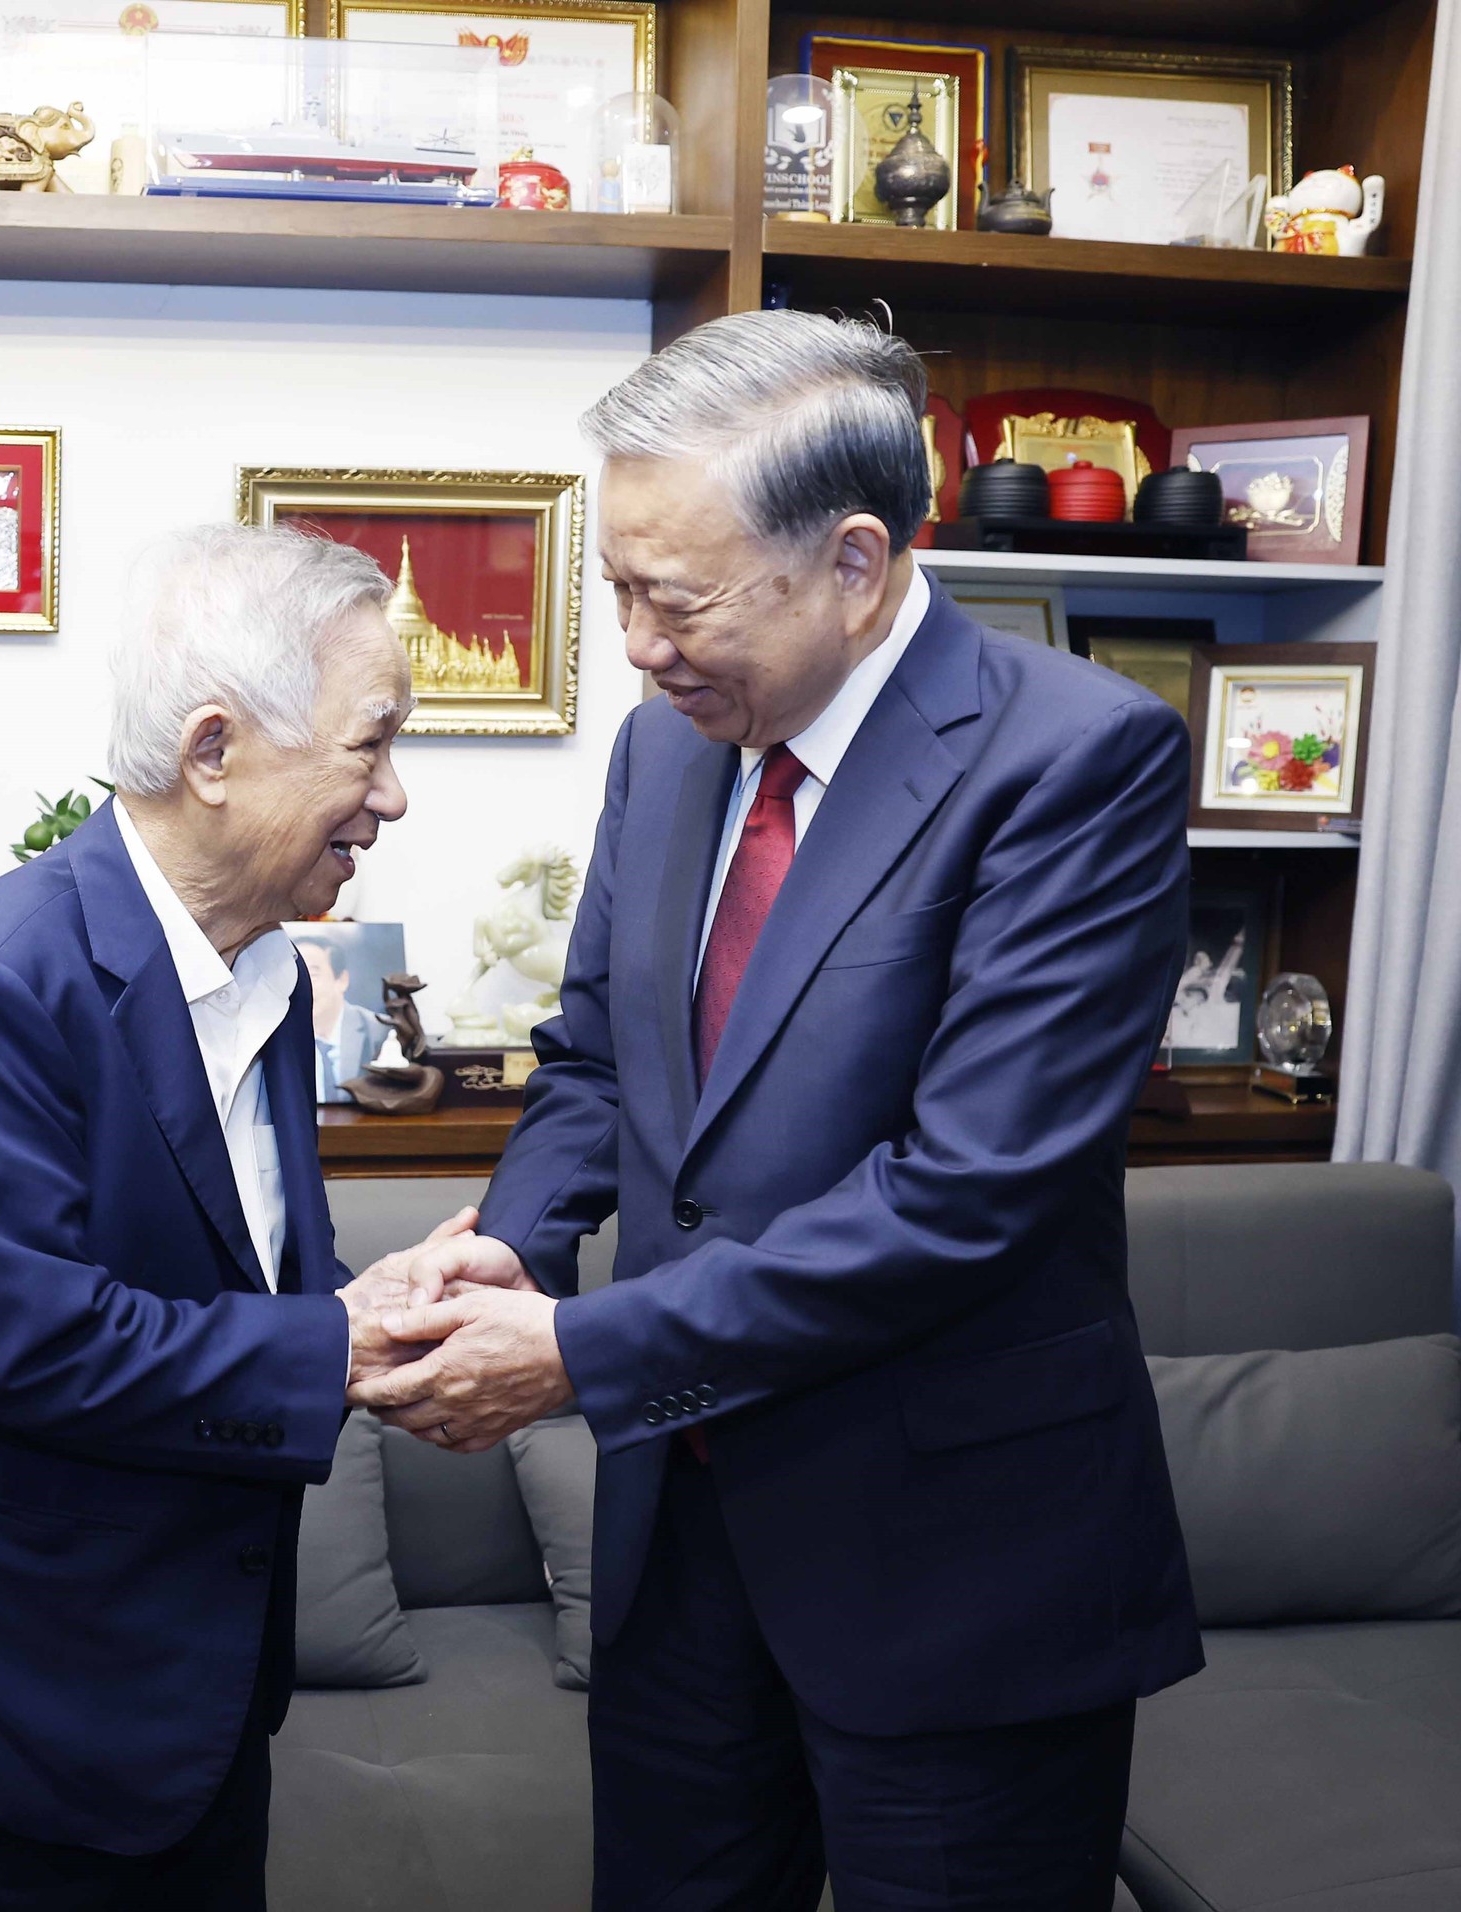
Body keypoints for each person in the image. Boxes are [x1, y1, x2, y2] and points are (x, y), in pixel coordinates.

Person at [351, 311, 1202, 1909]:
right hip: (681, 1547)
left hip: (956, 1564)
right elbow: (595, 1059)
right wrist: (517, 1248)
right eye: (619, 590)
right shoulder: (666, 755)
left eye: (674, 599)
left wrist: (578, 1353)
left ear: (855, 564)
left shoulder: (1078, 762)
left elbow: (964, 1194)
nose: (635, 643)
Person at [0, 523, 461, 1908]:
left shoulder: (268, 972)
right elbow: (34, 1343)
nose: (393, 798)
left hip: (192, 1711)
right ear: (213, 751)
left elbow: (246, 1264)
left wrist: (375, 1313)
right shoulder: (5, 974)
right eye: (371, 745)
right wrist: (335, 1346)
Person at [289, 932, 382, 1101]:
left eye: (313, 975)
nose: (301, 986)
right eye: (293, 976)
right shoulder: (277, 1037)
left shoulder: (380, 1031)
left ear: (341, 981)